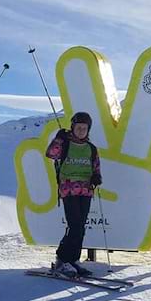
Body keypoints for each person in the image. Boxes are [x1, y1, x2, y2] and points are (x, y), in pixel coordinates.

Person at [46, 112, 101, 278]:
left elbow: (96, 166)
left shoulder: (91, 148)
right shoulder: (65, 144)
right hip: (68, 189)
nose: (81, 131)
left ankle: (73, 259)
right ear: (73, 128)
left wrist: (97, 177)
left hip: (86, 190)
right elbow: (51, 154)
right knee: (74, 225)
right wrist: (59, 139)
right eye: (79, 128)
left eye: (85, 128)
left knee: (81, 227)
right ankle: (62, 260)